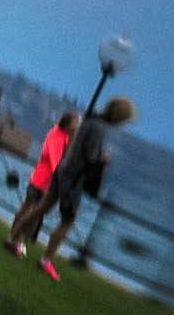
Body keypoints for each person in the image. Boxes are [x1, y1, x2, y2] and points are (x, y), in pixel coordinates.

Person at [37, 95, 136, 281]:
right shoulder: (98, 127)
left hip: (64, 169)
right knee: (67, 220)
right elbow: (90, 156)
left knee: (42, 207)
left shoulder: (90, 120)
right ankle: (46, 259)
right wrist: (103, 158)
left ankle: (14, 237)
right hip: (74, 177)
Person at [7, 111, 79, 257]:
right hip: (43, 181)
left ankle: (16, 238)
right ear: (67, 124)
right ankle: (18, 239)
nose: (77, 126)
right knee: (32, 212)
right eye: (75, 123)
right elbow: (55, 162)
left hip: (41, 179)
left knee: (29, 209)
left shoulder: (62, 136)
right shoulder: (57, 137)